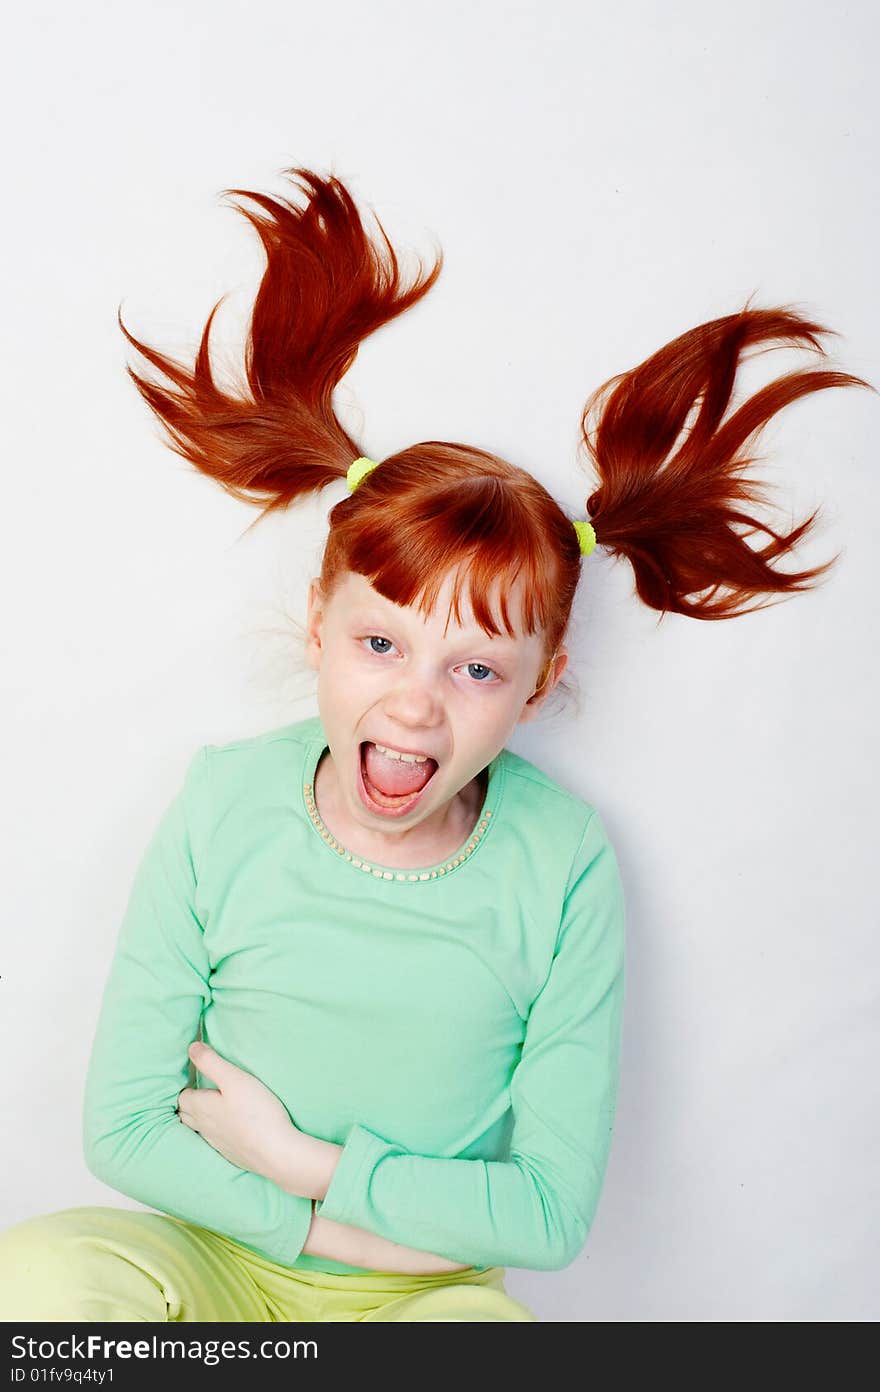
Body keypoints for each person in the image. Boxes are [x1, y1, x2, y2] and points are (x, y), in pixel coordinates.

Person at [0, 168, 871, 1324]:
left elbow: (549, 1216)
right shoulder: (222, 804)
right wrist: (311, 1231)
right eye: (378, 644)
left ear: (539, 688)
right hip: (215, 1260)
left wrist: (310, 1165)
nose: (415, 709)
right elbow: (120, 1129)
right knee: (43, 1280)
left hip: (428, 1299)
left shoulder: (558, 861)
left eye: (474, 670)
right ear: (318, 628)